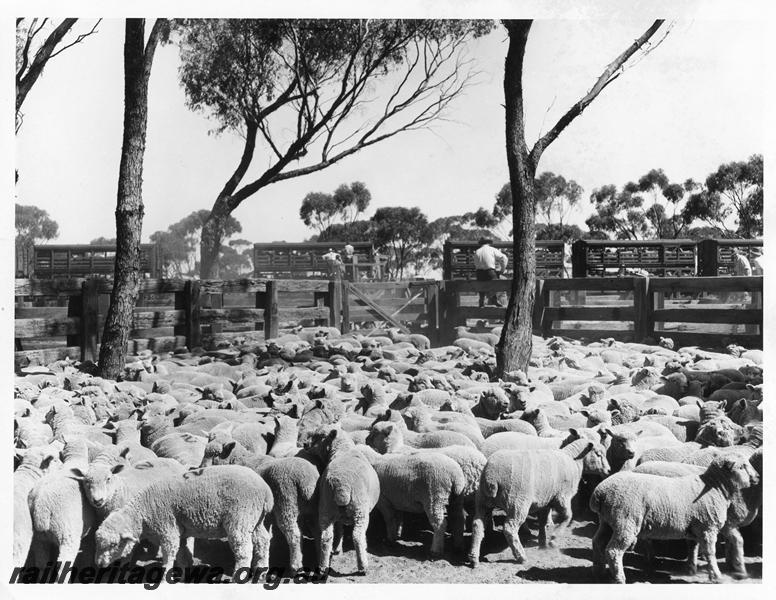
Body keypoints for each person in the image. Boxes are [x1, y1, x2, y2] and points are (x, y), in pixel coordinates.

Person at [473, 237, 508, 307]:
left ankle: (482, 300)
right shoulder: (492, 249)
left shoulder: (477, 251)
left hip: (479, 273)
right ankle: (493, 298)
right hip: (489, 272)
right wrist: (502, 270)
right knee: (496, 284)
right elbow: (504, 258)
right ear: (489, 243)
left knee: (481, 285)